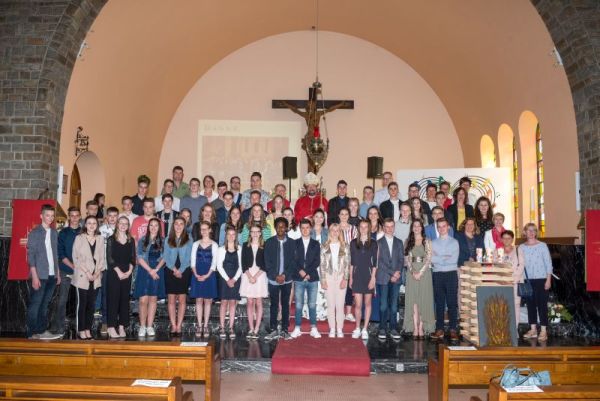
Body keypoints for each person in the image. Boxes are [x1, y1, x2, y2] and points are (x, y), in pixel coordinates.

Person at [26, 204, 62, 340]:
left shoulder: (54, 233)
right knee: (35, 305)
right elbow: (31, 256)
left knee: (44, 305)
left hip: (52, 275)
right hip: (40, 275)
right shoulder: (35, 233)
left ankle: (41, 331)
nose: (50, 218)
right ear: (41, 216)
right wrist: (34, 276)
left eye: (52, 216)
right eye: (47, 215)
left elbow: (56, 254)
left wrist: (58, 273)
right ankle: (31, 333)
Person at [72, 215, 105, 340]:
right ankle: (81, 330)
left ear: (97, 225)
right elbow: (76, 257)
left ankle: (87, 329)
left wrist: (96, 273)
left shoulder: (100, 239)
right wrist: (87, 273)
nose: (91, 225)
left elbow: (102, 258)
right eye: (89, 223)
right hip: (82, 275)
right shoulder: (79, 238)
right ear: (85, 225)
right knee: (82, 304)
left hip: (95, 276)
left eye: (94, 223)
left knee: (91, 305)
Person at [519, 223, 553, 341]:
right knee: (530, 305)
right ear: (525, 232)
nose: (531, 232)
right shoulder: (521, 247)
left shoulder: (542, 245)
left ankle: (543, 331)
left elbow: (548, 263)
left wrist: (548, 280)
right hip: (527, 280)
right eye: (529, 230)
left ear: (536, 232)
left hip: (541, 279)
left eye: (533, 230)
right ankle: (533, 330)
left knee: (542, 305)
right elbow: (520, 264)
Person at [50, 206, 80, 337]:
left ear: (80, 217)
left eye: (76, 215)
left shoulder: (83, 232)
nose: (74, 218)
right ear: (69, 217)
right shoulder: (63, 233)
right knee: (62, 299)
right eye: (72, 215)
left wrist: (80, 267)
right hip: (65, 269)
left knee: (81, 301)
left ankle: (80, 327)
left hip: (82, 272)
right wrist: (73, 266)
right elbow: (60, 253)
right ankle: (59, 327)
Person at [264, 217, 296, 340]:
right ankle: (273, 329)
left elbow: (293, 262)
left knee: (285, 304)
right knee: (273, 304)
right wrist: (275, 276)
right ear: (275, 228)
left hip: (287, 279)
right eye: (278, 226)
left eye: (283, 226)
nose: (280, 228)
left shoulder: (292, 243)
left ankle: (284, 329)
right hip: (273, 279)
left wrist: (284, 275)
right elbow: (267, 261)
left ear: (286, 228)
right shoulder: (269, 242)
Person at [403, 219, 435, 338]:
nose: (416, 228)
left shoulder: (427, 241)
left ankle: (421, 326)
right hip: (411, 273)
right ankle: (415, 327)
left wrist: (420, 272)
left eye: (418, 226)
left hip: (424, 273)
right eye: (414, 226)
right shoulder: (408, 241)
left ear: (422, 228)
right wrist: (413, 271)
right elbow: (407, 259)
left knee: (423, 300)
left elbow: (429, 258)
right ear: (412, 228)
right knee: (413, 301)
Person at [134, 217, 166, 337]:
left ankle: (149, 326)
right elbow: (139, 257)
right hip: (144, 270)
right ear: (148, 227)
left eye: (156, 225)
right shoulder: (142, 240)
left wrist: (155, 269)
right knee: (143, 300)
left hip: (157, 270)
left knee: (153, 299)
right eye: (151, 225)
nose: (153, 227)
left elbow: (165, 257)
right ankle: (142, 326)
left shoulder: (163, 241)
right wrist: (150, 270)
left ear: (159, 228)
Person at [290, 219, 322, 339]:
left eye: (307, 227)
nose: (305, 230)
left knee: (312, 304)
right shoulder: (294, 243)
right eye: (302, 228)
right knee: (298, 304)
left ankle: (313, 328)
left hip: (312, 277)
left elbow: (317, 261)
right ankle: (297, 328)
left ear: (311, 229)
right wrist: (301, 272)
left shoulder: (316, 244)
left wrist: (307, 272)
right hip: (298, 278)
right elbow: (293, 260)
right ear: (300, 229)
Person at [106, 216, 136, 339]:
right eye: (121, 223)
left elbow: (133, 258)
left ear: (128, 226)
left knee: (124, 300)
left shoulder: (131, 240)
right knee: (113, 300)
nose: (123, 225)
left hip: (127, 273)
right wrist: (119, 272)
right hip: (114, 272)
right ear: (117, 224)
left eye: (126, 223)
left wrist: (129, 271)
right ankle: (111, 327)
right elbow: (109, 258)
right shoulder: (111, 239)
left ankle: (122, 326)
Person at [430, 218, 460, 341]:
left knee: (452, 303)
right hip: (437, 274)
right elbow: (431, 259)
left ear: (448, 227)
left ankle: (453, 329)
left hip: (451, 274)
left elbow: (453, 260)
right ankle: (440, 329)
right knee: (439, 302)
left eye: (444, 226)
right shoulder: (433, 243)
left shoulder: (454, 242)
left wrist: (438, 258)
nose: (442, 228)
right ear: (437, 228)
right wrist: (444, 257)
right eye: (439, 226)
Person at [163, 217, 193, 336]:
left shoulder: (189, 239)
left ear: (184, 226)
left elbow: (189, 256)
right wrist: (174, 269)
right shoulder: (168, 239)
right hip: (170, 270)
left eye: (181, 224)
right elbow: (166, 256)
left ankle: (179, 325)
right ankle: (173, 325)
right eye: (176, 223)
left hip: (184, 271)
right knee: (171, 299)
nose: (179, 226)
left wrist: (180, 270)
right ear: (173, 225)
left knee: (181, 299)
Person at [320, 223, 350, 338]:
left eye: (337, 230)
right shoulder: (324, 246)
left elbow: (347, 263)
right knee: (331, 305)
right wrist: (323, 280)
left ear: (340, 232)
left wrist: (345, 279)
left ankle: (340, 328)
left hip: (341, 276)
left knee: (340, 305)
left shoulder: (345, 246)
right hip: (328, 277)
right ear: (329, 231)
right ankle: (332, 328)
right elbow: (322, 264)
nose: (335, 232)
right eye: (333, 230)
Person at [376, 218, 404, 340]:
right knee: (383, 305)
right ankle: (382, 328)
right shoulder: (378, 243)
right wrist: (392, 273)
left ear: (394, 227)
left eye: (391, 226)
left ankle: (393, 328)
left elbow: (401, 260)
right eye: (387, 226)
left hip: (396, 278)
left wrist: (397, 273)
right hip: (383, 277)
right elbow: (379, 262)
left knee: (394, 305)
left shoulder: (399, 242)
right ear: (383, 228)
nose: (389, 229)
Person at [350, 220, 378, 340]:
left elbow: (375, 263)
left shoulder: (373, 243)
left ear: (369, 228)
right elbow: (351, 262)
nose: (363, 229)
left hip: (368, 275)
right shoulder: (353, 243)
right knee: (358, 304)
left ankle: (365, 328)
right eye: (361, 227)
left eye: (366, 227)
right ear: (358, 228)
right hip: (357, 276)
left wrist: (373, 278)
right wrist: (350, 278)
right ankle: (357, 328)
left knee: (367, 304)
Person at [189, 221, 218, 337]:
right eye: (202, 229)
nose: (204, 231)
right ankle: (199, 325)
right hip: (197, 273)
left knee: (208, 301)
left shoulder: (214, 245)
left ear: (210, 230)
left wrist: (207, 275)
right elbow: (192, 260)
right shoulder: (196, 244)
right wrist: (196, 274)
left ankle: (205, 326)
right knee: (199, 300)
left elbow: (214, 262)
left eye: (206, 229)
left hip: (209, 274)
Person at [240, 223, 268, 339]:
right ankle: (251, 328)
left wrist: (255, 276)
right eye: (253, 231)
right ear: (250, 233)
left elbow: (266, 264)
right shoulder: (245, 245)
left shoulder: (265, 245)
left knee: (259, 302)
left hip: (260, 275)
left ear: (260, 233)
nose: (255, 234)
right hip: (247, 275)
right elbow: (243, 263)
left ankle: (257, 329)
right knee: (250, 302)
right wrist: (250, 276)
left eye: (257, 231)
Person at [216, 226, 243, 339]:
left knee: (233, 303)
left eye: (233, 234)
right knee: (223, 303)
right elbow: (219, 266)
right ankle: (222, 327)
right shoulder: (221, 249)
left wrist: (234, 279)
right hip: (224, 278)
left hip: (236, 278)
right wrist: (227, 279)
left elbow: (241, 266)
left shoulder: (240, 249)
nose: (231, 236)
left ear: (236, 236)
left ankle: (231, 327)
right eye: (229, 234)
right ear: (226, 236)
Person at [97, 206, 118, 333]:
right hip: (105, 266)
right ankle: (105, 322)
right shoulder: (101, 230)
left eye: (115, 216)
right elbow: (98, 249)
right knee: (105, 294)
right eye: (110, 216)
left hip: (118, 268)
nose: (112, 218)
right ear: (107, 217)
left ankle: (114, 321)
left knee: (116, 295)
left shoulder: (122, 229)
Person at [501, 230, 523, 327]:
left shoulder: (518, 250)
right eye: (504, 238)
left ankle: (515, 328)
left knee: (515, 305)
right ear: (501, 239)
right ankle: (504, 328)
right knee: (502, 305)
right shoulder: (497, 251)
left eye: (508, 238)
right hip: (502, 282)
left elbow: (521, 266)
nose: (506, 240)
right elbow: (494, 265)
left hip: (515, 282)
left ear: (512, 239)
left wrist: (513, 280)